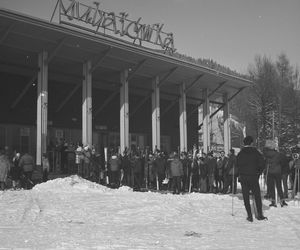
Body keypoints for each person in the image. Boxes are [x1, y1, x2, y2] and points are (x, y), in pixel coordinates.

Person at [237, 136, 267, 222]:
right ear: (251, 143)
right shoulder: (256, 152)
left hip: (243, 177)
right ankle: (260, 214)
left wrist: (240, 173)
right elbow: (262, 163)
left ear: (244, 143)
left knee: (246, 196)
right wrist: (259, 172)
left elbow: (237, 164)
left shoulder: (240, 153)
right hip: (253, 176)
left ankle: (249, 216)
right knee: (257, 195)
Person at [263, 140, 288, 207]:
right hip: (277, 171)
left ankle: (273, 201)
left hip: (269, 172)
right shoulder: (278, 154)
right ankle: (282, 200)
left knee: (271, 187)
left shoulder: (265, 154)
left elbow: (263, 162)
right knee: (279, 186)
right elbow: (283, 163)